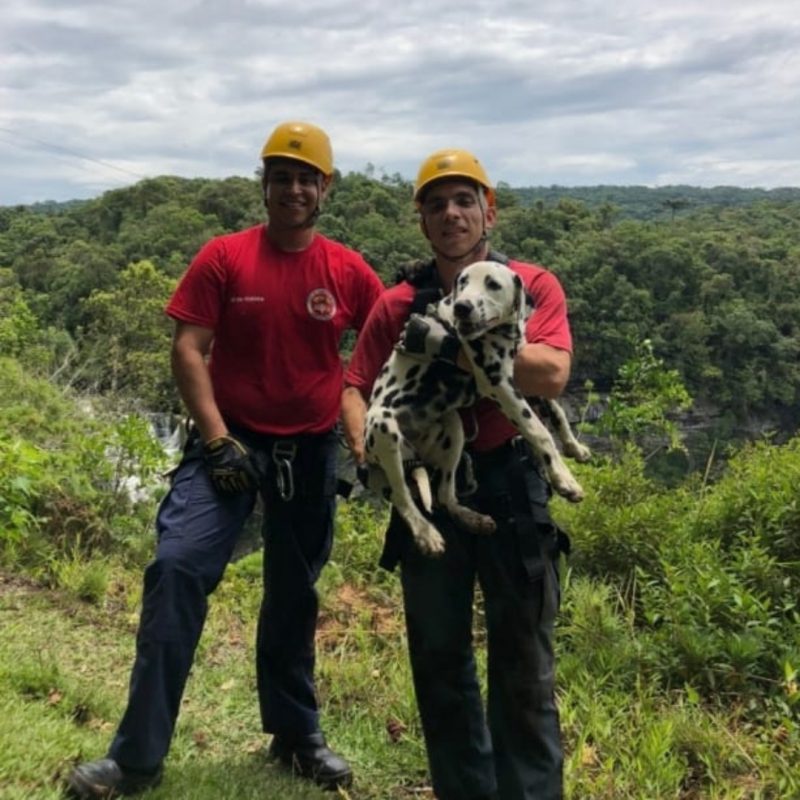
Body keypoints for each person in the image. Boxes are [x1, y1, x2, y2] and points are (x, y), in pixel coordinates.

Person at [66, 121, 384, 798]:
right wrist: (215, 439)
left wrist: (363, 416)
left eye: (306, 178)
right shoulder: (225, 257)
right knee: (177, 568)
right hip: (230, 442)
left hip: (310, 451)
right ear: (263, 184)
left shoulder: (347, 270)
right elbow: (189, 347)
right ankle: (136, 759)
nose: (294, 189)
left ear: (325, 188)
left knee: (295, 595)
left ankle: (296, 737)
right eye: (282, 177)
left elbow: (382, 343)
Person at [341, 149, 573, 800]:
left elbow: (552, 372)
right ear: (422, 220)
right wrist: (368, 449)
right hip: (430, 483)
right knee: (439, 660)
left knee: (523, 662)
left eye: (464, 200)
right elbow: (356, 386)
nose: (451, 213)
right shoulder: (397, 306)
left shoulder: (528, 283)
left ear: (488, 211)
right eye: (436, 203)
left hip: (507, 480)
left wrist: (459, 341)